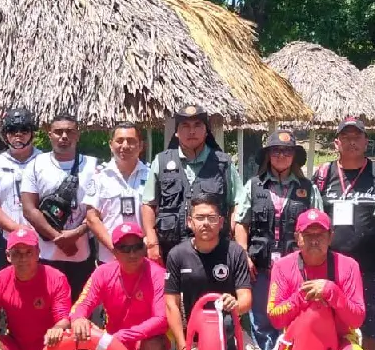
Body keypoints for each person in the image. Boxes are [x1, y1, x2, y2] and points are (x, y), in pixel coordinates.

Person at [232, 129, 321, 350]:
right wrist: (244, 254)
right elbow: (241, 223)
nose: (281, 156)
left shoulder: (309, 188)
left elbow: (317, 227)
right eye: (275, 151)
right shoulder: (253, 185)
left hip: (294, 272)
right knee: (261, 327)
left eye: (286, 151)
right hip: (260, 270)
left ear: (294, 155)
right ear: (267, 155)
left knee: (291, 326)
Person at [313, 116, 375, 350]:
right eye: (345, 137)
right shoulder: (322, 176)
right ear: (337, 143)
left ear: (366, 141)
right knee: (330, 324)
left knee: (372, 324)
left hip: (370, 265)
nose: (352, 141)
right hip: (330, 266)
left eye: (357, 136)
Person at [266, 210, 367, 350]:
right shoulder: (283, 266)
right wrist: (302, 296)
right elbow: (274, 316)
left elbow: (358, 317)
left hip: (340, 338)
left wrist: (333, 293)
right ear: (297, 237)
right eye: (308, 234)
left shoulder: (348, 266)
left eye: (320, 235)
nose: (314, 240)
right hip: (299, 341)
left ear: (331, 237)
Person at [164, 195, 255, 350]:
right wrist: (183, 347)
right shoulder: (177, 254)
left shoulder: (234, 252)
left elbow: (246, 299)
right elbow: (171, 304)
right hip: (194, 336)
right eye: (200, 218)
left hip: (228, 330)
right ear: (189, 222)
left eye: (212, 218)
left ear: (222, 222)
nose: (206, 223)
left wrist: (235, 305)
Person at [60, 223, 168, 350]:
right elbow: (80, 306)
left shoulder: (157, 274)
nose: (132, 253)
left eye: (136, 246)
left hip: (139, 348)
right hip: (112, 349)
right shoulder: (103, 273)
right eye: (124, 249)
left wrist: (123, 336)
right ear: (114, 251)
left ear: (144, 248)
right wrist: (80, 319)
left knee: (154, 345)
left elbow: (161, 319)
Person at [142, 104, 243, 262]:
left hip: (214, 251)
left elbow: (237, 203)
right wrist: (152, 242)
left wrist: (227, 234)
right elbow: (148, 204)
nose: (191, 131)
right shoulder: (161, 161)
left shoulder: (223, 163)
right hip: (170, 251)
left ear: (206, 130)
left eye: (197, 125)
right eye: (185, 126)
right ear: (177, 132)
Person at [20, 113, 98, 300]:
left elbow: (98, 210)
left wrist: (76, 234)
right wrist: (59, 238)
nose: (64, 137)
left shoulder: (93, 165)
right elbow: (29, 209)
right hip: (45, 253)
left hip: (82, 254)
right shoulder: (35, 165)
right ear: (50, 135)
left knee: (79, 310)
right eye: (58, 132)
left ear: (77, 135)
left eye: (69, 132)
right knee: (45, 309)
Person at [85, 122, 150, 265]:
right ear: (110, 144)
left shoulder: (152, 176)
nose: (125, 146)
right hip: (109, 257)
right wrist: (115, 249)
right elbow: (91, 218)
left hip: (142, 256)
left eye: (131, 141)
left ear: (140, 146)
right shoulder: (99, 177)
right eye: (119, 141)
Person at [0, 106, 42, 241]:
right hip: (8, 238)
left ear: (32, 133)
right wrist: (17, 229)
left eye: (24, 130)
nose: (18, 134)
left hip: (43, 237)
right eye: (12, 130)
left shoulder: (45, 161)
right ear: (5, 135)